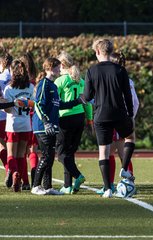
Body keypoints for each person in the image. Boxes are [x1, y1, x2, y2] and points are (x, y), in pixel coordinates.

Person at [84, 39, 134, 198]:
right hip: (119, 113)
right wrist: (130, 114)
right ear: (111, 51)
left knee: (103, 152)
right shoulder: (120, 70)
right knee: (130, 138)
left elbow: (87, 96)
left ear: (98, 52)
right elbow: (128, 95)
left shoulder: (91, 71)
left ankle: (107, 189)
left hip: (100, 115)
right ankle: (125, 169)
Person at [31, 57, 84, 195]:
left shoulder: (54, 86)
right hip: (43, 126)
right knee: (47, 156)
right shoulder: (44, 84)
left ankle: (47, 186)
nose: (59, 69)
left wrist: (77, 101)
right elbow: (38, 104)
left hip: (52, 126)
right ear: (50, 68)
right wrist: (46, 121)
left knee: (50, 156)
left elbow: (59, 105)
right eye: (57, 67)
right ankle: (36, 185)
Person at [96, 51, 139, 195]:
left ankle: (109, 185)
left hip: (112, 117)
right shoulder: (127, 79)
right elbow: (135, 102)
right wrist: (131, 116)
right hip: (124, 118)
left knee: (108, 152)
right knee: (123, 152)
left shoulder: (111, 78)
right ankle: (127, 181)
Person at [55, 51, 93, 194]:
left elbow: (55, 102)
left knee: (61, 153)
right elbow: (87, 103)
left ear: (62, 65)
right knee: (69, 152)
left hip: (65, 118)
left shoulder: (60, 81)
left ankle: (77, 175)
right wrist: (90, 120)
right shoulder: (80, 80)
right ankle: (67, 185)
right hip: (80, 117)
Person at [3, 60, 34, 192]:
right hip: (26, 123)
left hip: (13, 124)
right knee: (22, 154)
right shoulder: (30, 87)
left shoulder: (9, 89)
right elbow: (33, 104)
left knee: (11, 154)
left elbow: (8, 110)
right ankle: (25, 182)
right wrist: (25, 102)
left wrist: (9, 104)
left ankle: (14, 172)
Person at [20, 52, 38, 190]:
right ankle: (35, 179)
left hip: (22, 119)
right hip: (33, 117)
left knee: (21, 151)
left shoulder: (18, 83)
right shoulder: (34, 81)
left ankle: (25, 181)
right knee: (33, 150)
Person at [0, 50, 12, 184]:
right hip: (11, 117)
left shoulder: (1, 78)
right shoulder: (16, 78)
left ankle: (10, 169)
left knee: (2, 147)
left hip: (1, 114)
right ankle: (13, 171)